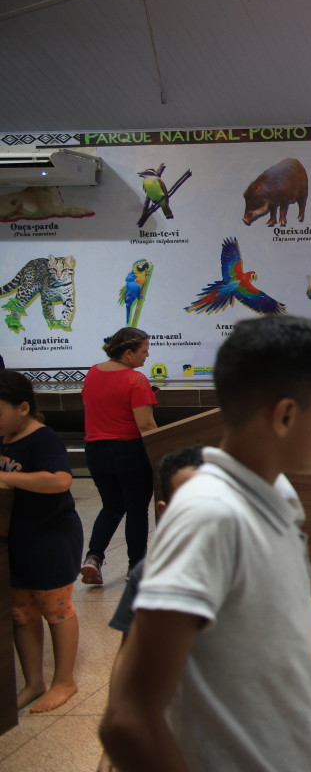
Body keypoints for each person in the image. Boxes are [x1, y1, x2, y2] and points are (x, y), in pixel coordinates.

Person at [99, 315, 311, 771]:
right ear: (286, 415)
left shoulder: (278, 496)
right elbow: (127, 721)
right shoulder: (209, 514)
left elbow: (245, 633)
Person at [97, 443, 203, 772]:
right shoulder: (150, 575)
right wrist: (115, 732)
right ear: (164, 510)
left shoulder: (253, 563)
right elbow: (127, 654)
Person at [0, 370, 83, 713]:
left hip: (51, 537)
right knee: (21, 612)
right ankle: (33, 681)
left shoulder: (42, 438)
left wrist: (6, 477)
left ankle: (64, 680)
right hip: (16, 539)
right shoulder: (4, 438)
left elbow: (60, 480)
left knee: (56, 609)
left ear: (23, 408)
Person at [80, 328, 158, 586]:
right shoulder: (135, 379)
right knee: (136, 509)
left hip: (95, 450)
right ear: (128, 353)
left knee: (112, 506)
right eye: (144, 351)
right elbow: (145, 424)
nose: (147, 356)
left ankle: (93, 558)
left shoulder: (93, 373)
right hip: (128, 451)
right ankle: (136, 568)